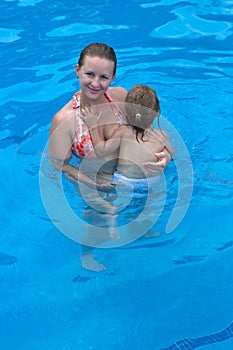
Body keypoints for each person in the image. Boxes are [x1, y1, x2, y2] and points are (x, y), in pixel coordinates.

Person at [49, 43, 171, 272]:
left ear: (113, 77)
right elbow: (58, 165)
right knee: (99, 217)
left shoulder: (120, 97)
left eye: (103, 77)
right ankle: (87, 255)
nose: (96, 83)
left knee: (141, 206)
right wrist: (91, 181)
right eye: (89, 74)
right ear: (77, 70)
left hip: (129, 172)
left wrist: (164, 156)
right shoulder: (64, 120)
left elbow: (146, 129)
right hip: (94, 179)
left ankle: (140, 230)